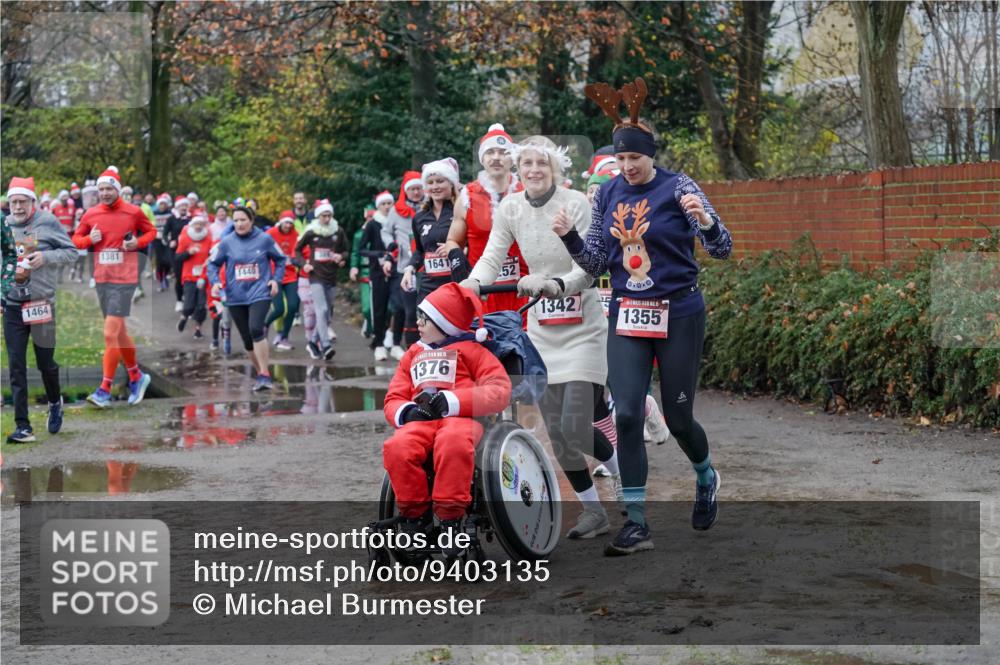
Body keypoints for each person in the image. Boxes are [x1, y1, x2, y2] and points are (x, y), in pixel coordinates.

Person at [555, 78, 734, 555]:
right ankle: (636, 523)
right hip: (629, 315)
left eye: (635, 158)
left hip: (678, 313)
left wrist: (707, 222)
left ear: (651, 154)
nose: (628, 167)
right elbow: (594, 264)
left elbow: (723, 249)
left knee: (677, 418)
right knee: (629, 413)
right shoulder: (607, 194)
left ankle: (705, 473)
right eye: (621, 159)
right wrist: (571, 238)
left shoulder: (680, 187)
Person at [460, 136, 621, 540]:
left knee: (578, 424)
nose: (534, 170)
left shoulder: (576, 203)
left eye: (542, 163)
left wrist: (552, 284)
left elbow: (589, 266)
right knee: (557, 432)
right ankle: (594, 512)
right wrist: (472, 284)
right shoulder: (511, 207)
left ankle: (621, 475)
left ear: (555, 168)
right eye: (527, 163)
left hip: (583, 325)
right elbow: (493, 255)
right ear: (518, 168)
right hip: (542, 331)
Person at [382, 282, 512, 560]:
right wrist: (407, 412)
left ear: (446, 322)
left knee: (453, 443)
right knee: (397, 447)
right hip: (421, 420)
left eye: (425, 318)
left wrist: (455, 401)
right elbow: (393, 397)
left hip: (461, 418)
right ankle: (415, 517)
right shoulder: (413, 354)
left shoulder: (474, 351)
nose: (417, 322)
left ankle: (451, 518)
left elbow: (499, 390)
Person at [72, 166, 157, 408]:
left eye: (109, 189)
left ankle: (104, 389)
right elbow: (76, 239)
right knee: (119, 333)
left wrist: (136, 243)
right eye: (102, 189)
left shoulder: (133, 212)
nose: (105, 193)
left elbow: (151, 231)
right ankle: (136, 377)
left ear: (117, 190)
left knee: (110, 332)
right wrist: (90, 240)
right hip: (102, 278)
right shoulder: (91, 214)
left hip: (125, 279)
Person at [2, 177, 79, 442]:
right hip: (13, 305)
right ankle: (23, 426)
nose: (18, 207)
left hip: (41, 303)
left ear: (32, 202)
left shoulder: (47, 222)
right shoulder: (4, 225)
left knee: (46, 363)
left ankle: (55, 402)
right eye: (13, 202)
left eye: (22, 201)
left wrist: (46, 257)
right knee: (16, 364)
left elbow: (72, 252)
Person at [444, 123, 528, 317]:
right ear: (483, 159)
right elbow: (452, 241)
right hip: (483, 292)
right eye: (490, 152)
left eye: (503, 152)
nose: (497, 157)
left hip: (523, 290)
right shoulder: (467, 197)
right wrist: (457, 259)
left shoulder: (528, 192)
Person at [206, 206, 286, 391]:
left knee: (256, 328)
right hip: (236, 296)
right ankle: (262, 375)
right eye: (236, 220)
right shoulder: (227, 242)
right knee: (247, 339)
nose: (239, 224)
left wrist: (276, 280)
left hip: (260, 292)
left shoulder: (265, 239)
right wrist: (216, 282)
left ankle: (265, 374)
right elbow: (212, 264)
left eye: (243, 220)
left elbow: (281, 259)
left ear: (251, 220)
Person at [295, 199, 348, 360]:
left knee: (328, 313)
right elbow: (297, 250)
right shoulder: (311, 232)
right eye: (324, 215)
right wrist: (304, 264)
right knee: (322, 310)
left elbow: (346, 250)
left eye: (329, 215)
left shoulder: (337, 231)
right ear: (318, 216)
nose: (327, 218)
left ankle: (312, 341)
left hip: (331, 276)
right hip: (315, 276)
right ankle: (325, 345)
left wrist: (341, 256)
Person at [402, 158, 460, 302]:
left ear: (451, 184)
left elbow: (475, 246)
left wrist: (454, 248)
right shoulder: (419, 217)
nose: (435, 186)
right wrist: (409, 269)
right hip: (429, 287)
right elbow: (420, 250)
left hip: (456, 283)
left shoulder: (461, 212)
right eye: (430, 182)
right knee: (423, 323)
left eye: (440, 181)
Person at [383, 172, 424, 357]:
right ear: (406, 191)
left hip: (426, 267)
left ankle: (426, 348)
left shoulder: (430, 206)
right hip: (404, 267)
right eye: (412, 189)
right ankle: (412, 351)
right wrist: (392, 246)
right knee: (409, 310)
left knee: (424, 309)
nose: (416, 192)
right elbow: (385, 231)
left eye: (418, 188)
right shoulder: (396, 210)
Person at [356, 191, 394, 362]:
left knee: (396, 307)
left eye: (389, 203)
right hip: (377, 271)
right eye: (383, 204)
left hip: (397, 269)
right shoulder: (372, 225)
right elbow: (361, 249)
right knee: (379, 308)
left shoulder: (397, 222)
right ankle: (378, 342)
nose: (387, 207)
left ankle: (391, 338)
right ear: (378, 206)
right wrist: (377, 253)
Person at [265, 210, 301, 351]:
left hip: (291, 274)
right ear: (281, 222)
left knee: (293, 306)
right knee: (279, 308)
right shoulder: (271, 234)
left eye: (290, 223)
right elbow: (262, 250)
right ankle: (265, 325)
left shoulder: (295, 234)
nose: (288, 225)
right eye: (286, 222)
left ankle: (283, 337)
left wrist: (295, 259)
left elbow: (299, 251)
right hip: (274, 276)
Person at [174, 213, 211, 339]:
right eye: (196, 224)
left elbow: (212, 256)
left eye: (201, 224)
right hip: (189, 276)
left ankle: (198, 329)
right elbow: (177, 257)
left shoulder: (208, 238)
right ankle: (184, 317)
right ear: (192, 225)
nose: (199, 226)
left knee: (201, 306)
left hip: (203, 276)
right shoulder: (185, 238)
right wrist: (188, 253)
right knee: (189, 305)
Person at [350, 204, 376, 339]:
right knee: (366, 308)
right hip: (365, 273)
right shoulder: (359, 235)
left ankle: (375, 330)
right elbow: (355, 253)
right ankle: (369, 324)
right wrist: (353, 267)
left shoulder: (381, 231)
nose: (371, 219)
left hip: (378, 272)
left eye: (374, 216)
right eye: (369, 216)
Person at [164, 195, 192, 312]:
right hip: (175, 252)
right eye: (181, 206)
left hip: (189, 252)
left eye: (185, 205)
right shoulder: (171, 219)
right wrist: (170, 241)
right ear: (177, 207)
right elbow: (165, 234)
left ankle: (189, 299)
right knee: (179, 276)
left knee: (190, 277)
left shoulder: (191, 219)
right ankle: (179, 300)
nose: (183, 208)